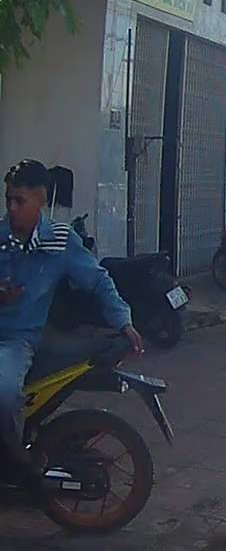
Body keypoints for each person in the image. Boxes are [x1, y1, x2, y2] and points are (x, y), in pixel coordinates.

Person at [0, 160, 143, 475]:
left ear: (41, 200)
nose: (11, 209)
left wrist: (124, 321)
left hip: (16, 340)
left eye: (19, 201)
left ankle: (16, 459)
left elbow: (98, 280)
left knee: (5, 393)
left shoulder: (60, 241)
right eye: (8, 199)